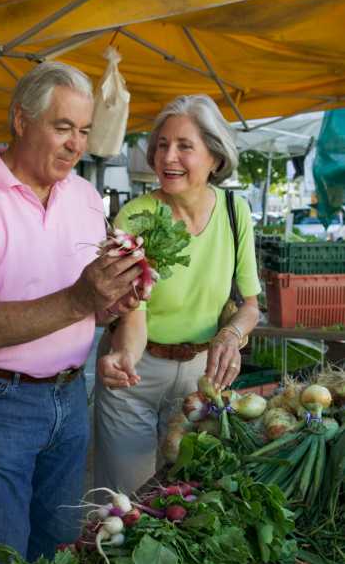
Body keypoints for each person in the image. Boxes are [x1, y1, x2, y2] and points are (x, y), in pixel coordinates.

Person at [0, 62, 145, 564]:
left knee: (57, 557)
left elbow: (86, 307)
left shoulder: (86, 197)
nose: (77, 145)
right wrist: (79, 299)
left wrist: (112, 308)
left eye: (85, 131)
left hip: (70, 395)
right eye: (63, 127)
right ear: (21, 121)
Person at [94, 94, 261, 496]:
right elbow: (135, 312)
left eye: (185, 146)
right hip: (137, 369)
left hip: (200, 375)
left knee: (187, 493)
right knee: (126, 501)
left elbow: (251, 305)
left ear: (215, 158)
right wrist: (125, 360)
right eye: (162, 145)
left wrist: (230, 336)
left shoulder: (236, 214)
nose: (168, 157)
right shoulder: (136, 216)